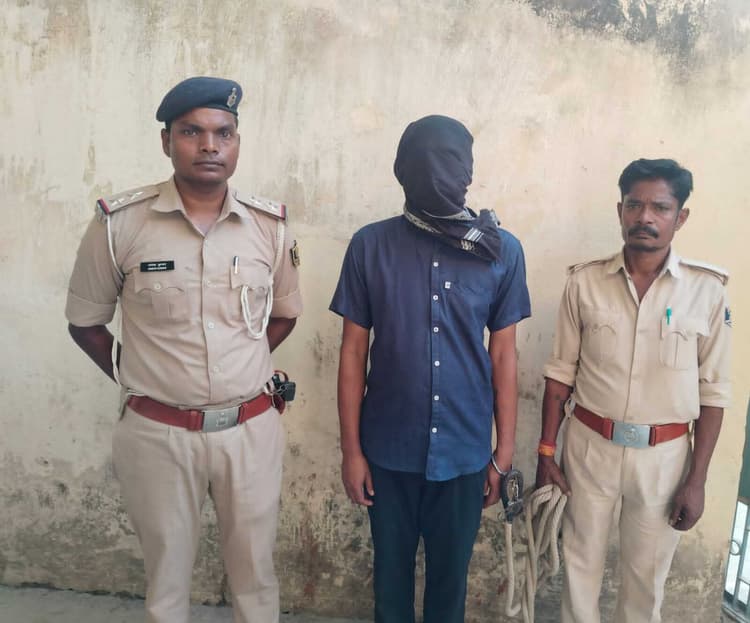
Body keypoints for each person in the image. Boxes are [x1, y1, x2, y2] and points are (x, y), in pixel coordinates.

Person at [65, 76, 302, 623]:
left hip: (250, 430)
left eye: (224, 133)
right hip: (158, 434)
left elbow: (285, 315)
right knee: (166, 583)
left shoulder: (269, 227)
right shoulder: (119, 224)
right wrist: (143, 378)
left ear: (237, 142)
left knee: (256, 579)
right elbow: (86, 324)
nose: (209, 146)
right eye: (192, 132)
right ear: (166, 141)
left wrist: (243, 363)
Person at [330, 115, 531, 623]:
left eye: (449, 161)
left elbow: (504, 355)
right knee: (390, 587)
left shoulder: (500, 251)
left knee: (449, 588)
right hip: (387, 452)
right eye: (422, 162)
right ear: (400, 170)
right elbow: (352, 352)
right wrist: (352, 452)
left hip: (464, 454)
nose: (436, 173)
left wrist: (503, 454)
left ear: (468, 170)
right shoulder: (369, 245)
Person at [535, 158, 731, 623]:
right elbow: (560, 375)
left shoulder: (706, 292)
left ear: (680, 217)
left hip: (664, 459)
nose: (645, 216)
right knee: (579, 566)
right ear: (620, 210)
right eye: (634, 205)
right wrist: (546, 452)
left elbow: (713, 394)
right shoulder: (584, 282)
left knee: (646, 582)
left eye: (660, 207)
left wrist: (697, 480)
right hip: (589, 448)